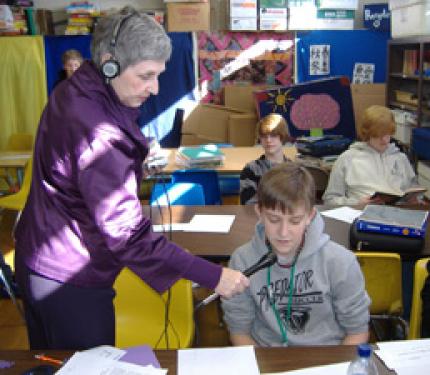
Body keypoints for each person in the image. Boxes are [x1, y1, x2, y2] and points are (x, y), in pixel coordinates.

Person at [14, 7, 249, 350]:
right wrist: (215, 276)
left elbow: (81, 170)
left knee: (56, 364)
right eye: (145, 75)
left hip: (38, 258)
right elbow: (127, 237)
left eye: (158, 75)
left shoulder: (77, 87)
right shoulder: (101, 134)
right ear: (109, 62)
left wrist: (132, 160)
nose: (154, 88)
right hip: (68, 278)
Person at [222, 162, 370, 347]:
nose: (284, 232)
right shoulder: (242, 260)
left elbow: (357, 331)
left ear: (310, 216)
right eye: (274, 219)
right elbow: (239, 331)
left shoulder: (340, 262)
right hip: (267, 357)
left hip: (327, 357)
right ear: (259, 212)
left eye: (295, 221)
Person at [323, 105, 419, 206]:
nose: (384, 140)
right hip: (360, 213)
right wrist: (356, 203)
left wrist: (414, 200)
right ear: (367, 134)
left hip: (396, 215)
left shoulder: (400, 158)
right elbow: (329, 200)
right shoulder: (347, 159)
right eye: (378, 135)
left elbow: (413, 190)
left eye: (387, 134)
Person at [240, 113, 291, 205]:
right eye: (264, 136)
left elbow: (299, 201)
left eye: (274, 135)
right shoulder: (251, 169)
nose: (268, 140)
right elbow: (248, 202)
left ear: (282, 136)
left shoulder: (294, 169)